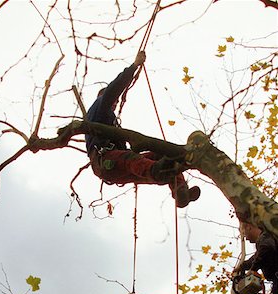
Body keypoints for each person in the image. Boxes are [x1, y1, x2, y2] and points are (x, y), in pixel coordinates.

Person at [85, 51, 200, 208]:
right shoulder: (99, 106)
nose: (115, 104)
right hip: (106, 159)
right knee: (135, 160)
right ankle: (155, 170)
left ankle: (181, 192)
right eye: (114, 102)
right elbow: (114, 89)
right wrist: (133, 67)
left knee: (164, 156)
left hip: (118, 166)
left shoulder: (110, 123)